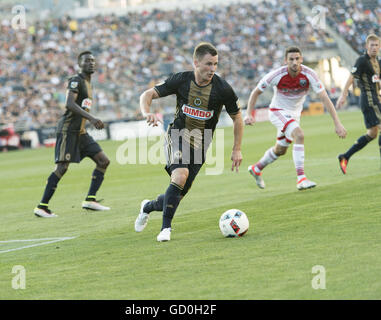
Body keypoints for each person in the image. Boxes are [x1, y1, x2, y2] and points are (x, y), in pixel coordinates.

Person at [134, 42, 244, 241]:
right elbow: (147, 94)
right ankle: (165, 229)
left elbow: (237, 117)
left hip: (201, 146)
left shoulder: (222, 88)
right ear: (196, 62)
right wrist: (146, 112)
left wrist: (237, 149)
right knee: (180, 175)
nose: (212, 69)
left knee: (177, 195)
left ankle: (148, 206)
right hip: (176, 136)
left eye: (215, 64)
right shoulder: (182, 80)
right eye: (208, 64)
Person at [244, 46, 347, 190]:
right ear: (285, 61)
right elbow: (256, 92)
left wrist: (337, 123)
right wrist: (249, 114)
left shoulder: (309, 74)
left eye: (297, 59)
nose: (294, 62)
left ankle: (257, 168)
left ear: (301, 59)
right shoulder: (277, 75)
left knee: (280, 150)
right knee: (299, 135)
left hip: (294, 116)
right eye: (291, 59)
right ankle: (301, 179)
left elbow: (325, 98)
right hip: (277, 112)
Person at [34, 51, 110, 218]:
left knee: (103, 161)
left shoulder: (90, 84)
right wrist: (91, 118)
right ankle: (42, 206)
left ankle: (90, 199)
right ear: (79, 64)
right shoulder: (76, 80)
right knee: (62, 167)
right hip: (68, 130)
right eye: (87, 61)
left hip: (81, 133)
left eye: (93, 60)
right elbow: (69, 104)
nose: (91, 63)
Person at [336, 34, 381, 174]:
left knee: (372, 133)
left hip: (375, 98)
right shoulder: (362, 60)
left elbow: (377, 81)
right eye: (372, 45)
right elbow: (352, 77)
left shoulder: (378, 61)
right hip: (368, 100)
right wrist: (343, 95)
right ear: (367, 46)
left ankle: (345, 156)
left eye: (376, 45)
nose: (374, 48)